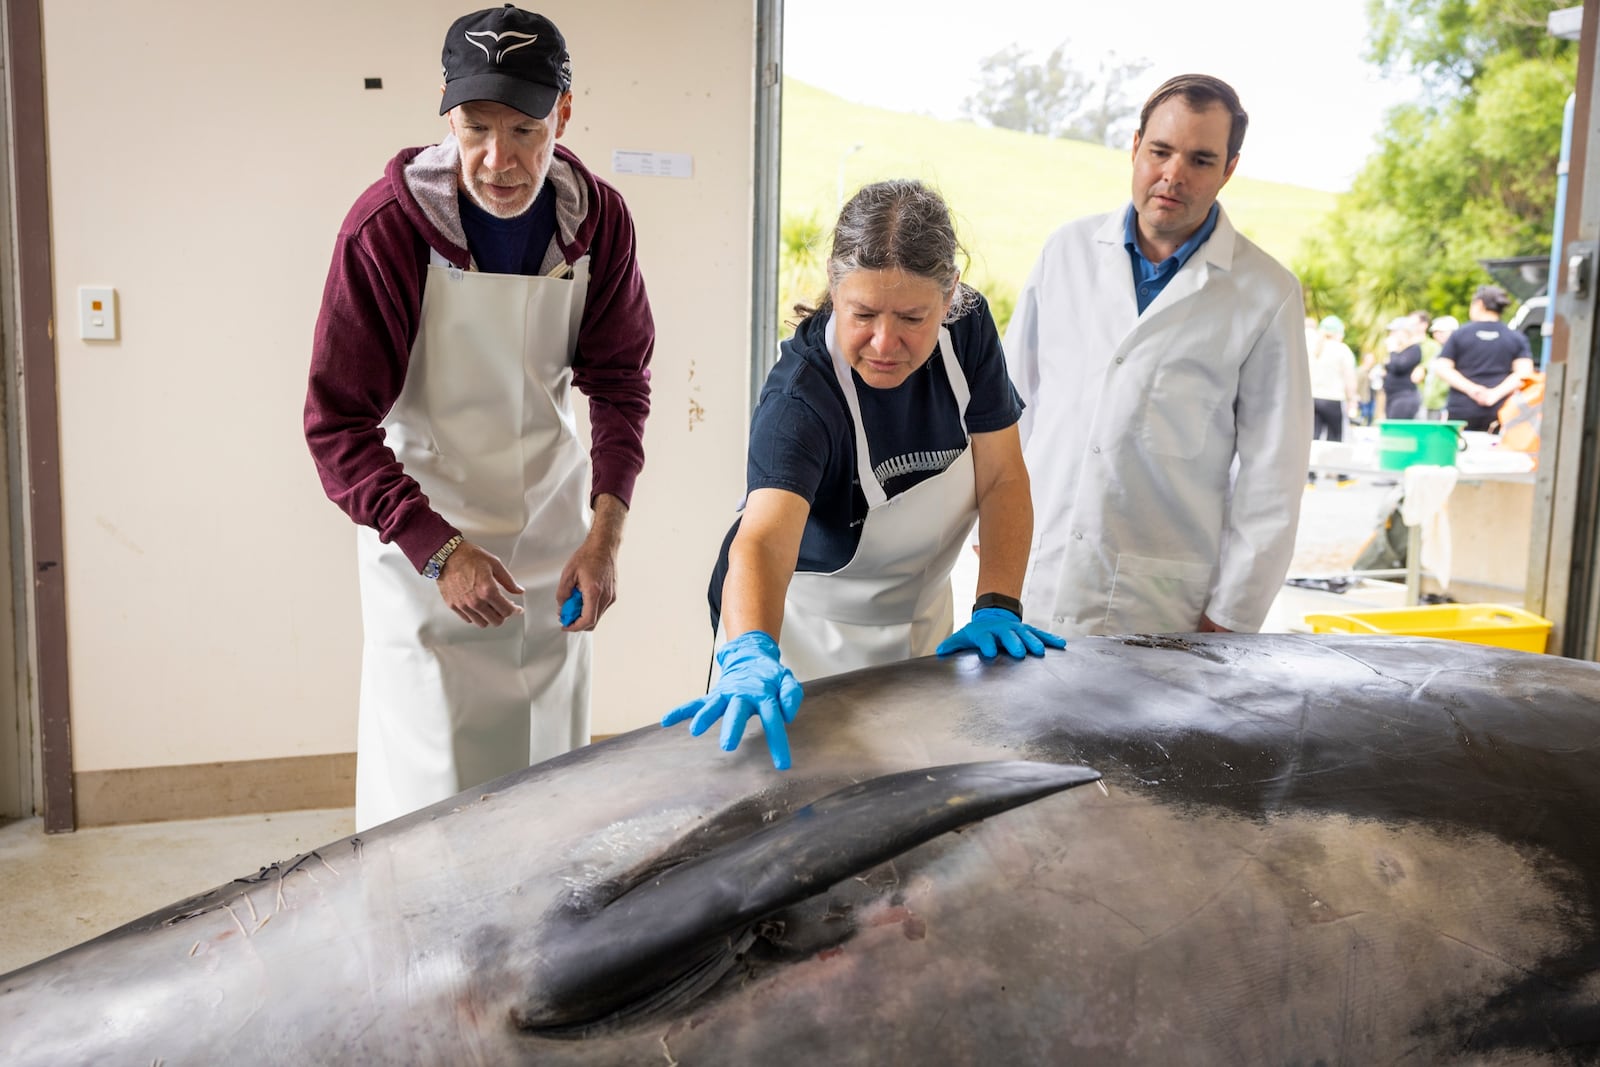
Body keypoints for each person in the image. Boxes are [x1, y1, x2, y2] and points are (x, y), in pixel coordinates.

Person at [305, 6, 654, 830]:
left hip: (550, 548)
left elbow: (620, 384)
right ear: (446, 111)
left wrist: (604, 538)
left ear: (563, 114)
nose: (498, 161)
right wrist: (440, 552)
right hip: (425, 551)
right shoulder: (387, 232)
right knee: (434, 804)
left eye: (526, 131)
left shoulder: (597, 223)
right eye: (475, 127)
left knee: (549, 788)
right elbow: (335, 426)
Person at [663, 180, 1063, 770]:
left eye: (911, 318)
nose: (885, 342)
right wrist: (749, 650)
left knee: (917, 793)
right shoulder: (800, 398)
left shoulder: (968, 333)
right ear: (833, 285)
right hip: (801, 641)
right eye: (864, 313)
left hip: (924, 624)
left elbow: (1002, 476)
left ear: (950, 295)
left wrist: (997, 603)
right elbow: (764, 539)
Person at [1003, 73, 1313, 637]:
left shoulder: (1266, 292)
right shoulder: (1065, 252)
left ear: (1229, 169)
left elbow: (1273, 474)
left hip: (1160, 606)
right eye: (1160, 151)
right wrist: (993, 541)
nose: (1173, 175)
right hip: (1034, 579)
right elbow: (1009, 409)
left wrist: (1231, 617)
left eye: (1200, 159)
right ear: (1135, 147)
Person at [1433, 285, 1534, 432]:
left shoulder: (1460, 335)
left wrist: (1472, 390)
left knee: (1460, 452)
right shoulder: (1515, 338)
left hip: (1461, 411)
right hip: (1501, 411)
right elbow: (1524, 372)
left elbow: (1442, 367)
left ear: (1479, 304)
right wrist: (1495, 394)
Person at [1307, 314, 1360, 487]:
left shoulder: (1312, 347)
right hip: (1333, 398)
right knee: (1336, 437)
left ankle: (1309, 476)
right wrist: (1353, 398)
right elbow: (1349, 377)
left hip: (1312, 397)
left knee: (1313, 437)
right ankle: (1341, 475)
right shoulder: (1341, 349)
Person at [1381, 315, 1425, 420]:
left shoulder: (1414, 348)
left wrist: (1392, 350)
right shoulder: (1400, 351)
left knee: (1396, 431)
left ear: (1405, 332)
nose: (1391, 335)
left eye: (1394, 332)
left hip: (1404, 397)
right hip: (1393, 396)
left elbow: (1399, 366)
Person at [1413, 311, 1453, 421]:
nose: (1438, 334)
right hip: (1428, 401)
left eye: (1442, 331)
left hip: (1444, 402)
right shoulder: (1436, 350)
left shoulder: (1454, 351)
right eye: (1436, 331)